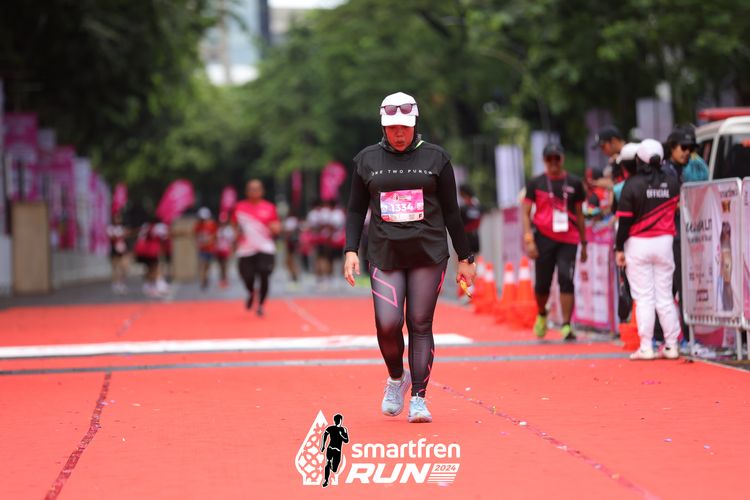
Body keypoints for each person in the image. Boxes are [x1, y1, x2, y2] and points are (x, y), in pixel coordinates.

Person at [344, 91, 476, 424]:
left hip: (427, 253)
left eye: (404, 126)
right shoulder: (366, 160)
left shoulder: (436, 158)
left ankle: (418, 398)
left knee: (419, 323)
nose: (399, 133)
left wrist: (466, 257)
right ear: (383, 127)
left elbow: (452, 212)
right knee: (388, 324)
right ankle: (396, 378)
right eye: (392, 128)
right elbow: (355, 209)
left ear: (415, 123)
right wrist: (350, 250)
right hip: (384, 253)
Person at [615, 139, 681, 360]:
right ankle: (671, 345)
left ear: (639, 160)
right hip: (664, 243)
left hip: (638, 244)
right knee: (665, 297)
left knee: (644, 298)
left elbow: (624, 222)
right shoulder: (672, 181)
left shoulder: (632, 184)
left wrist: (619, 248)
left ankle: (646, 346)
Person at [521, 143, 587, 341]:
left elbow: (580, 214)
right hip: (543, 238)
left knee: (566, 279)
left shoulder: (575, 183)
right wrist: (529, 239)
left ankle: (566, 325)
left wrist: (584, 243)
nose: (553, 162)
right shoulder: (536, 183)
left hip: (569, 238)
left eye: (556, 158)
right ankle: (542, 313)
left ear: (562, 159)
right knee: (542, 284)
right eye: (549, 158)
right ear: (544, 160)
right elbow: (525, 213)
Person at [662, 126, 709, 347]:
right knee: (671, 288)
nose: (688, 152)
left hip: (687, 236)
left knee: (683, 287)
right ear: (672, 147)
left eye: (691, 148)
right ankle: (666, 337)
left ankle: (682, 336)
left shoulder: (690, 168)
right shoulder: (665, 172)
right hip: (669, 237)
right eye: (684, 147)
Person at [233, 179, 281, 316]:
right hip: (246, 248)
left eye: (257, 189)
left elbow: (277, 227)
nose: (254, 191)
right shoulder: (240, 207)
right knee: (247, 276)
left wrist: (275, 228)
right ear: (246, 191)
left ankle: (261, 304)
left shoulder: (269, 207)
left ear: (262, 191)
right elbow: (234, 226)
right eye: (251, 189)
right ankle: (251, 292)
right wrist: (236, 237)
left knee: (264, 273)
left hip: (265, 247)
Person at [319, 413, 349, 488]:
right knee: (329, 464)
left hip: (333, 450)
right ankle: (326, 479)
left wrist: (323, 445)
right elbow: (346, 440)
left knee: (333, 468)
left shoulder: (342, 429)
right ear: (340, 420)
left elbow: (346, 440)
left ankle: (329, 469)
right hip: (333, 449)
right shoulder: (335, 428)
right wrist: (323, 445)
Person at [194, 207, 217, 290]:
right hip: (202, 249)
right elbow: (195, 235)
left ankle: (206, 277)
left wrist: (210, 241)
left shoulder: (212, 224)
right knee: (202, 264)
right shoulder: (198, 225)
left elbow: (214, 235)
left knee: (207, 265)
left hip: (210, 248)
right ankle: (203, 280)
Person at [107, 213, 130, 294]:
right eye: (116, 218)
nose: (118, 220)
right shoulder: (110, 228)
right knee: (115, 268)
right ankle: (115, 284)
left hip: (122, 250)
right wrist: (119, 235)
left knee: (124, 267)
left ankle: (121, 282)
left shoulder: (122, 228)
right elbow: (111, 237)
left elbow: (127, 234)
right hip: (114, 250)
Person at [459, 184, 482, 255]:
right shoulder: (474, 205)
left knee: (472, 257)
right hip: (469, 235)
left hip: (469, 235)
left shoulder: (472, 206)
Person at [214, 213, 235, 288]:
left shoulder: (229, 230)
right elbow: (215, 239)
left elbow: (231, 241)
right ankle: (222, 279)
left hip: (226, 249)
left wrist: (232, 250)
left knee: (225, 265)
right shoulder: (218, 229)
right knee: (220, 266)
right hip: (219, 249)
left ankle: (225, 279)